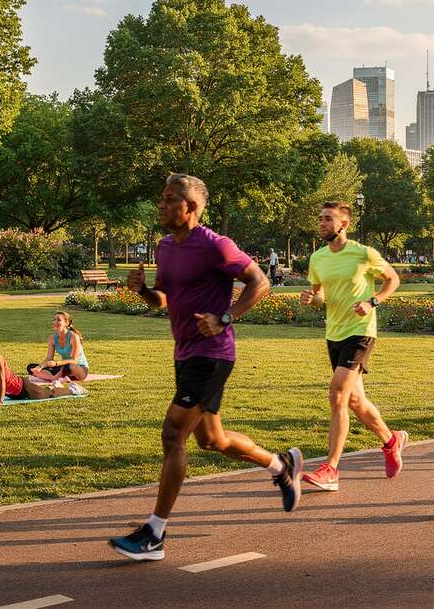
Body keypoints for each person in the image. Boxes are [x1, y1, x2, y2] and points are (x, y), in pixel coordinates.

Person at [109, 173, 303, 562]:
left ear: (191, 207)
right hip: (183, 353)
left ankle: (154, 533)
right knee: (211, 440)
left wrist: (225, 318)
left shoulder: (216, 246)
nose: (161, 206)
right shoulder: (164, 247)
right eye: (161, 198)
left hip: (213, 352)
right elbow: (162, 300)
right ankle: (281, 465)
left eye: (169, 200)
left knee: (172, 434)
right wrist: (143, 291)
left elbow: (260, 282)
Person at [298, 201, 407, 492]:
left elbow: (393, 279)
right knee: (355, 401)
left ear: (344, 224)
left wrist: (373, 301)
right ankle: (391, 440)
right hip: (334, 333)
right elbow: (321, 296)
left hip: (361, 332)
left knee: (337, 396)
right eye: (320, 218)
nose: (321, 223)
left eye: (328, 219)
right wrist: (312, 299)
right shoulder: (317, 258)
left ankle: (331, 469)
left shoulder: (364, 254)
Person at [0, 332, 78, 403]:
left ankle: (72, 389)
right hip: (9, 393)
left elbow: (2, 379)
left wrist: (0, 401)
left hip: (22, 387)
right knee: (44, 392)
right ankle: (54, 386)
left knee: (49, 395)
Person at [28, 311, 89, 382]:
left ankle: (53, 378)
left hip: (78, 368)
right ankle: (54, 378)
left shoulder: (74, 337)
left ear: (67, 323)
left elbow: (74, 360)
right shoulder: (52, 338)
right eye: (54, 320)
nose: (55, 322)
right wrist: (39, 367)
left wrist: (56, 363)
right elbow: (49, 358)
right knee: (31, 367)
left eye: (58, 320)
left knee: (69, 366)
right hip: (63, 367)